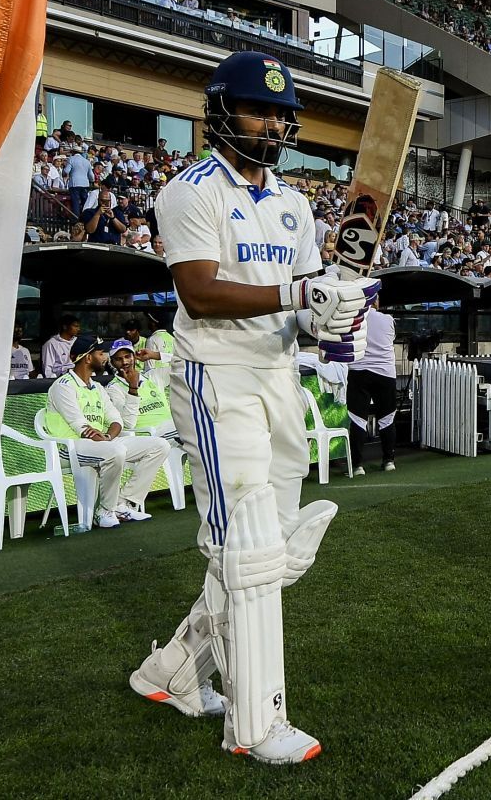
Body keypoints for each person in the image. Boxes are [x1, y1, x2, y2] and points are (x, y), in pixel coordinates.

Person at [130, 50, 374, 764]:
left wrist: (327, 316)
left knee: (273, 551)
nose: (271, 122)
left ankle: (172, 670)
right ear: (219, 112)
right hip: (216, 376)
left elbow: (301, 304)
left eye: (279, 112)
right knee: (248, 550)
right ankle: (254, 723)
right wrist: (299, 296)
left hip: (278, 375)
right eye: (257, 108)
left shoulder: (295, 203)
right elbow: (200, 292)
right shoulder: (191, 190)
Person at [43, 333, 131, 529]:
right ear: (88, 357)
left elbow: (116, 419)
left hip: (97, 444)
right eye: (101, 353)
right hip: (69, 447)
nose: (106, 357)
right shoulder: (63, 386)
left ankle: (124, 503)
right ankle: (105, 511)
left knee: (157, 446)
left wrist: (109, 437)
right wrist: (107, 442)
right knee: (116, 451)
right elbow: (81, 427)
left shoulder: (97, 386)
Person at [102, 339, 172, 521]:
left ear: (135, 356)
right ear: (112, 363)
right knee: (192, 427)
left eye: (127, 356)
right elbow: (128, 425)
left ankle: (123, 501)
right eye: (118, 359)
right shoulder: (113, 389)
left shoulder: (153, 376)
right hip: (148, 435)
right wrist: (133, 388)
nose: (125, 362)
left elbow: (185, 362)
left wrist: (155, 355)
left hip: (171, 429)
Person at [346, 297, 398, 476]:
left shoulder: (353, 319)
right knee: (387, 419)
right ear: (376, 301)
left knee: (358, 420)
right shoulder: (388, 319)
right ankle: (389, 460)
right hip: (385, 373)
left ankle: (358, 465)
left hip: (359, 372)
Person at [41, 313, 80, 378]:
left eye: (78, 326)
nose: (78, 329)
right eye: (75, 326)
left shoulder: (78, 341)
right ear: (65, 327)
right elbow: (47, 369)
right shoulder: (51, 343)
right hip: (60, 378)